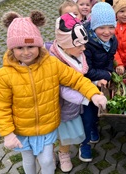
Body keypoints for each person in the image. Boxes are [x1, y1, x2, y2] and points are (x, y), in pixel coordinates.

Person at [0, 11, 107, 174]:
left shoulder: (52, 64)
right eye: (19, 48)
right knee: (29, 160)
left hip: (48, 126)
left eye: (31, 46)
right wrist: (8, 133)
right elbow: (0, 106)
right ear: (11, 49)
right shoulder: (4, 75)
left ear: (38, 45)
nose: (26, 52)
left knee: (46, 161)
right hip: (22, 129)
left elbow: (76, 79)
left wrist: (93, 93)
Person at [45, 13, 92, 172]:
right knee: (50, 132)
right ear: (65, 44)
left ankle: (63, 153)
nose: (83, 48)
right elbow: (62, 88)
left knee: (66, 133)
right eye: (79, 45)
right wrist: (86, 98)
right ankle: (49, 153)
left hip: (70, 107)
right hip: (53, 105)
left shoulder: (76, 54)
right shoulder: (52, 60)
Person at [80, 2, 118, 162]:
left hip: (102, 79)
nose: (107, 32)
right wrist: (104, 75)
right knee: (87, 115)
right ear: (94, 26)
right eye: (102, 27)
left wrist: (109, 73)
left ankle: (95, 128)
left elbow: (110, 59)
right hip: (87, 83)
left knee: (98, 110)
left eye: (111, 27)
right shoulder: (86, 44)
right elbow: (86, 70)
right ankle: (84, 144)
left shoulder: (113, 40)